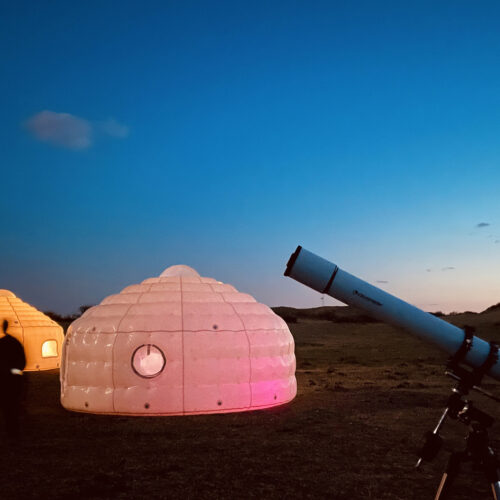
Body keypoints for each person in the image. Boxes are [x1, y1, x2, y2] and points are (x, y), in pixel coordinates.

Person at [0, 319, 26, 441]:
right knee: (11, 408)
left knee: (9, 408)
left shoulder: (4, 343)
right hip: (13, 380)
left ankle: (12, 433)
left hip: (7, 380)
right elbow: (22, 361)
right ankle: (13, 433)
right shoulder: (14, 343)